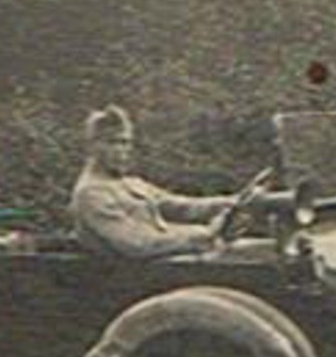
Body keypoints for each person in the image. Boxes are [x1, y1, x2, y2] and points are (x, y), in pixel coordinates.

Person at [71, 105, 240, 258]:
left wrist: (233, 201)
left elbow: (181, 206)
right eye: (112, 142)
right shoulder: (92, 193)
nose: (121, 151)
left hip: (164, 264)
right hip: (137, 276)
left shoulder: (131, 184)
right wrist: (203, 234)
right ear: (92, 146)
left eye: (125, 143)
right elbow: (137, 243)